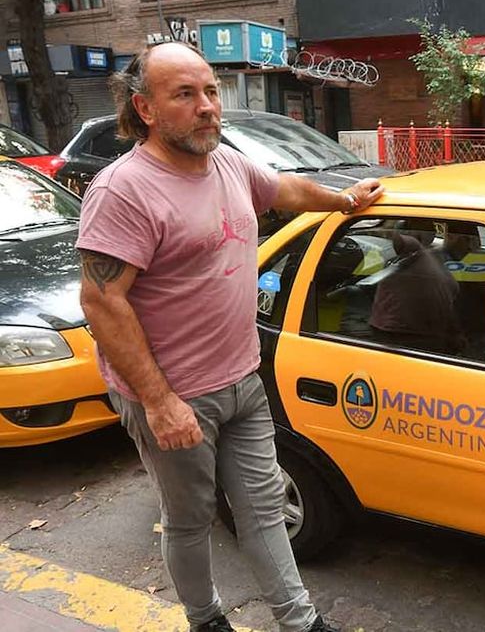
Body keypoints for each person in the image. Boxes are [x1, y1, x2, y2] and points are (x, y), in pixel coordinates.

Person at [76, 42, 383, 632]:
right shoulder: (124, 191)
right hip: (175, 396)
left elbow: (285, 191)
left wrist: (345, 200)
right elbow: (101, 300)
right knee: (189, 519)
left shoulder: (227, 164)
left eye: (211, 91)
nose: (208, 107)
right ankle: (206, 619)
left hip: (243, 379)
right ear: (145, 108)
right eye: (185, 95)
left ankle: (300, 622)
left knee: (264, 508)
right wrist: (160, 403)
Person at [369, 221, 462, 354]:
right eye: (429, 226)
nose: (434, 231)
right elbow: (389, 235)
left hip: (426, 332)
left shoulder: (433, 254)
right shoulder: (412, 246)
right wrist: (389, 223)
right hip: (400, 334)